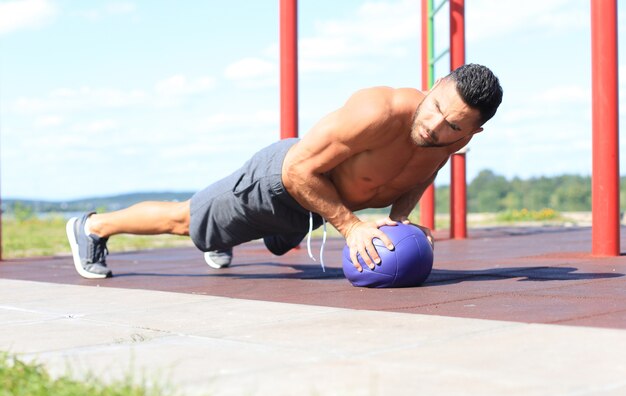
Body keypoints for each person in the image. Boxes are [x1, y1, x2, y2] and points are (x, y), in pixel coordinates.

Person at [66, 63, 503, 279]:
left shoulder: (449, 140)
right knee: (185, 221)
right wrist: (351, 228)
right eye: (437, 109)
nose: (436, 125)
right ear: (432, 88)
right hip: (282, 178)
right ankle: (93, 227)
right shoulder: (380, 110)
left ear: (473, 132)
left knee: (261, 236)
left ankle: (223, 235)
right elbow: (297, 170)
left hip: (317, 205)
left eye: (454, 125)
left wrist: (401, 217)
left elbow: (421, 172)